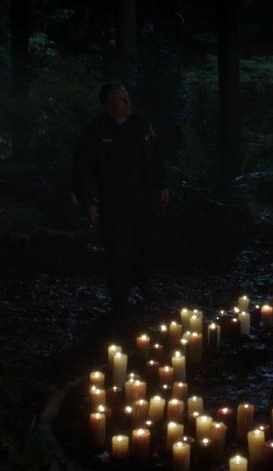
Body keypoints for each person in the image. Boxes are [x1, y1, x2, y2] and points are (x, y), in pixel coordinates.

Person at [73, 81, 170, 314]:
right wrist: (90, 200)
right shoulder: (96, 131)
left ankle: (144, 282)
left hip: (143, 196)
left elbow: (156, 155)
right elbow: (83, 168)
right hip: (114, 200)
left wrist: (162, 184)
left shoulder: (141, 124)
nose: (126, 102)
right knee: (118, 248)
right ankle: (120, 297)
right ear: (108, 105)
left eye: (126, 97)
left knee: (146, 242)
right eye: (120, 99)